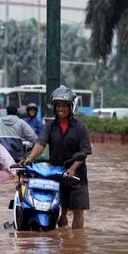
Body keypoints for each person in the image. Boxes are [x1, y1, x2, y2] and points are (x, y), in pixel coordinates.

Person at [23, 86, 92, 229]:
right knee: (60, 211)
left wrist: (72, 169)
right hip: (56, 174)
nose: (61, 109)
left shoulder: (81, 128)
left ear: (71, 107)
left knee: (78, 212)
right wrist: (29, 159)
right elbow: (41, 143)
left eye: (64, 105)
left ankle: (76, 244)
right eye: (58, 106)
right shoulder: (49, 126)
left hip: (76, 177)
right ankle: (64, 241)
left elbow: (84, 152)